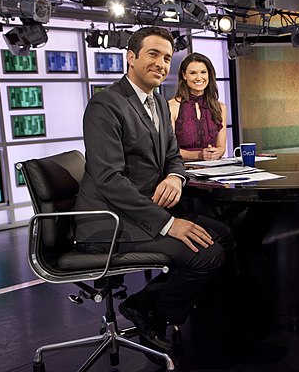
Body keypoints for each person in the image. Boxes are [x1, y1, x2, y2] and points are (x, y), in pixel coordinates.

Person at [74, 26, 232, 352]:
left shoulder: (159, 102)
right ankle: (153, 311)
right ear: (130, 57)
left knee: (225, 234)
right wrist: (168, 223)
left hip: (142, 213)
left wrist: (176, 178)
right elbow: (108, 179)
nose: (161, 63)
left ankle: (146, 305)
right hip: (109, 221)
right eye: (153, 54)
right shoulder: (106, 104)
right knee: (208, 254)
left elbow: (172, 157)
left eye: (166, 57)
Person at [168, 52, 227, 161]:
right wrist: (199, 155)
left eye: (203, 72)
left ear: (209, 74)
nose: (199, 78)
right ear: (184, 75)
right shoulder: (172, 106)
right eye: (193, 73)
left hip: (214, 169)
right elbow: (169, 150)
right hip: (182, 169)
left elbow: (221, 147)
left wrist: (215, 153)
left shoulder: (220, 107)